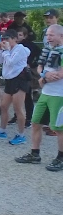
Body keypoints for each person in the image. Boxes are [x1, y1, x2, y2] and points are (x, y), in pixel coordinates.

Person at [15, 24, 63, 171]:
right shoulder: (48, 50)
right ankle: (34, 154)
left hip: (59, 95)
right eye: (47, 35)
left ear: (61, 36)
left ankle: (61, 158)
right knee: (36, 123)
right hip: (46, 93)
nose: (48, 38)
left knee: (59, 129)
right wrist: (44, 75)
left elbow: (60, 74)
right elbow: (40, 67)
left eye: (51, 35)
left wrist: (45, 78)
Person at [0, 29, 31, 144]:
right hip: (9, 80)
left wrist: (6, 50)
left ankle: (21, 134)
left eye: (7, 39)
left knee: (18, 108)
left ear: (14, 39)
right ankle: (2, 130)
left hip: (20, 80)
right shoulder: (6, 49)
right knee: (4, 106)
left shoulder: (20, 49)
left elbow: (11, 62)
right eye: (4, 39)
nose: (5, 41)